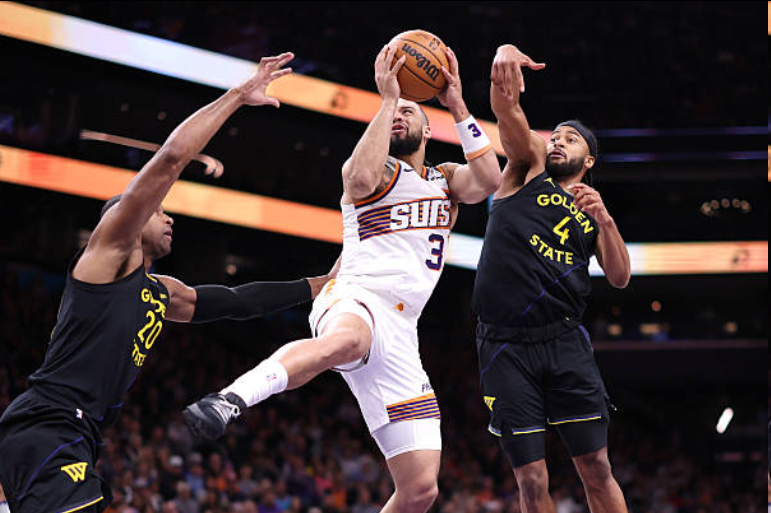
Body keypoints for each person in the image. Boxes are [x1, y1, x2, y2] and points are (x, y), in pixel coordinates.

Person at [0, 53, 337, 513]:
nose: (169, 217)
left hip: (75, 431)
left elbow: (236, 301)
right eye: (159, 211)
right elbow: (171, 159)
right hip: (50, 423)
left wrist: (317, 285)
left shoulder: (163, 292)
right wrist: (239, 96)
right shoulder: (109, 255)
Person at [184, 43, 501, 513]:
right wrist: (388, 100)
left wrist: (456, 104)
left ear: (427, 128)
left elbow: (490, 180)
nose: (400, 117)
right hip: (354, 296)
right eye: (395, 112)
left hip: (402, 330)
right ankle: (230, 398)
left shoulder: (446, 179)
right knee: (349, 342)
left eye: (410, 111)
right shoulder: (378, 170)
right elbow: (356, 179)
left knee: (420, 489)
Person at [472, 44, 631, 513]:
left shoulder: (592, 210)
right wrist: (502, 59)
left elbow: (620, 277)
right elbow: (508, 112)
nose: (558, 141)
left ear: (589, 160)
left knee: (596, 467)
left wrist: (606, 221)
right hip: (504, 345)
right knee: (531, 479)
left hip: (563, 342)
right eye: (555, 135)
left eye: (571, 139)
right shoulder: (527, 169)